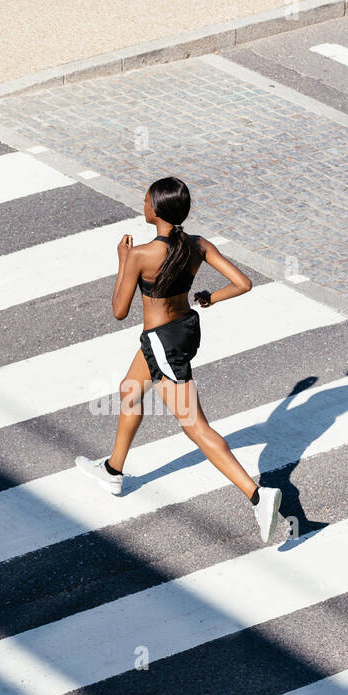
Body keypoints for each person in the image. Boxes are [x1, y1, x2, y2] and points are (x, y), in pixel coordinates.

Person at [75, 176, 282, 543]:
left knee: (194, 426)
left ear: (156, 211)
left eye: (145, 201)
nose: (143, 205)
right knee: (130, 390)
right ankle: (113, 469)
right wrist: (209, 298)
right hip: (183, 329)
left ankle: (257, 495)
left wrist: (123, 261)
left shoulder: (141, 254)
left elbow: (119, 311)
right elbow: (243, 283)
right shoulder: (197, 245)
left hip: (161, 343)